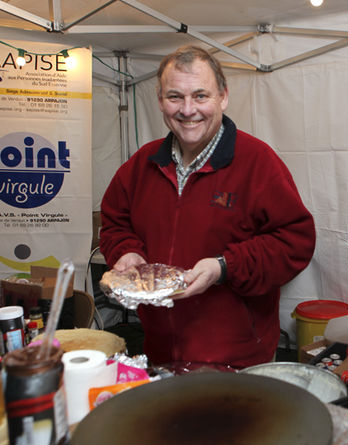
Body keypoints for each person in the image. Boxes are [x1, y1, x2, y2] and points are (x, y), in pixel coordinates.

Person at [100, 45, 316, 368]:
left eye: (201, 96)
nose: (188, 110)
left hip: (240, 361)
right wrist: (127, 252)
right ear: (160, 100)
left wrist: (224, 267)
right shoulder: (141, 165)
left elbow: (295, 242)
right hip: (160, 354)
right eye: (175, 97)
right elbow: (115, 222)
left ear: (223, 97)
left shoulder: (258, 163)